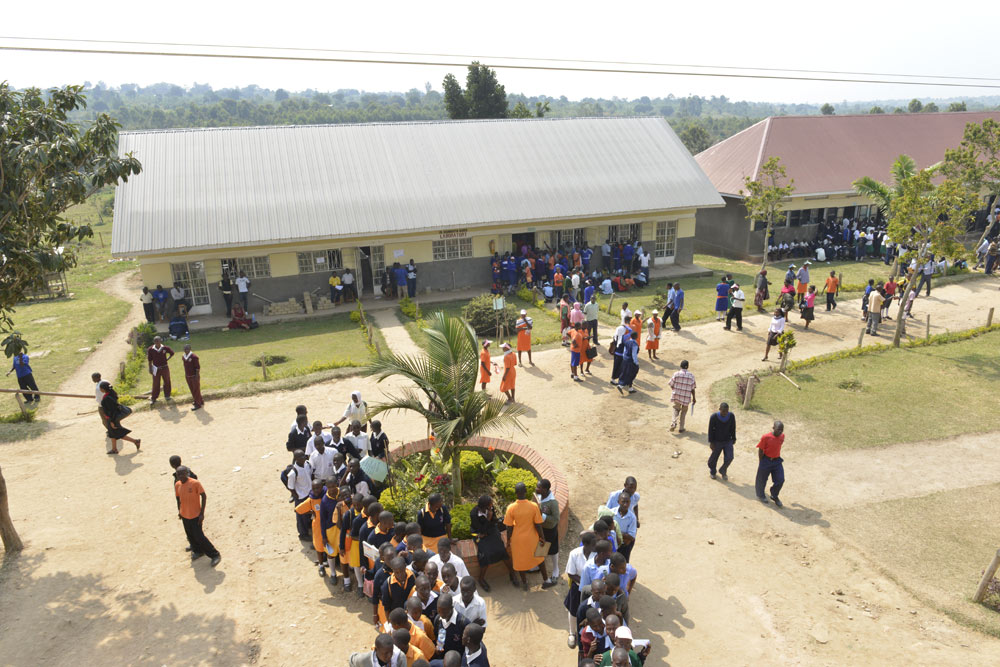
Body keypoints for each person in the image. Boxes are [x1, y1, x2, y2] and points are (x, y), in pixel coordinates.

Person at [503, 482, 549, 591]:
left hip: (518, 540)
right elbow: (538, 524)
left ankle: (525, 583)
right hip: (532, 538)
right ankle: (546, 580)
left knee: (520, 562)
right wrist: (542, 538)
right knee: (540, 558)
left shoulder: (511, 508)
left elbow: (509, 528)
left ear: (515, 493)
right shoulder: (533, 506)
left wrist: (508, 540)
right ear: (526, 492)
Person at [174, 466, 221, 566]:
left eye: (182, 473)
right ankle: (198, 551)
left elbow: (203, 496)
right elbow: (179, 499)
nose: (180, 476)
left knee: (199, 536)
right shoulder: (177, 485)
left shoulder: (195, 483)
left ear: (187, 473)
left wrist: (202, 513)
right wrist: (179, 511)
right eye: (178, 474)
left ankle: (215, 554)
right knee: (190, 535)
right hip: (185, 515)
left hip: (195, 515)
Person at [469, 495, 517, 591]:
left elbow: (494, 522)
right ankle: (481, 579)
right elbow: (480, 530)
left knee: (502, 550)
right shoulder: (474, 514)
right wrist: (487, 519)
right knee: (485, 554)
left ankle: (512, 573)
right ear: (485, 506)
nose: (492, 505)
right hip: (478, 533)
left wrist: (490, 519)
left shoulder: (490, 508)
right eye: (490, 504)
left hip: (490, 530)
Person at [98, 381, 140, 454]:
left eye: (100, 388)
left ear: (103, 389)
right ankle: (114, 449)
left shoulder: (107, 398)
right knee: (112, 433)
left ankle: (135, 441)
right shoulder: (111, 394)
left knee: (117, 433)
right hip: (112, 417)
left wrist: (112, 422)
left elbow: (111, 411)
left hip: (112, 418)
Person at [295, 479, 327, 575]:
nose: (316, 490)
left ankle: (329, 562)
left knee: (330, 545)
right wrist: (311, 511)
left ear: (322, 487)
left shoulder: (327, 495)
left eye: (318, 488)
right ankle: (321, 565)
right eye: (313, 488)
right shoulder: (312, 499)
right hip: (318, 526)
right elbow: (297, 509)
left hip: (329, 525)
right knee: (319, 546)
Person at [535, 479, 560, 589]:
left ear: (544, 490)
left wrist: (542, 516)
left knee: (553, 550)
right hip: (541, 528)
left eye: (538, 487)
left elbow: (556, 519)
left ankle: (556, 569)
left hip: (550, 529)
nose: (536, 489)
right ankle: (537, 565)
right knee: (541, 545)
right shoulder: (539, 496)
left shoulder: (553, 503)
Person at [755, 421, 786, 507]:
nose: (780, 432)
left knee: (780, 479)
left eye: (782, 430)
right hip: (766, 459)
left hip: (777, 461)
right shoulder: (766, 437)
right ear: (773, 428)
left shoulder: (782, 436)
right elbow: (761, 450)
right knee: (762, 478)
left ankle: (774, 495)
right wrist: (761, 462)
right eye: (778, 429)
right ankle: (761, 495)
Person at [287, 450, 314, 540]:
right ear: (296, 459)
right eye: (301, 457)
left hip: (310, 493)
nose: (304, 457)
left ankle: (309, 527)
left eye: (304, 455)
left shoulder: (307, 464)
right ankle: (303, 534)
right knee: (301, 516)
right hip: (301, 496)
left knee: (309, 514)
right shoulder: (293, 472)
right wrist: (296, 496)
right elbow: (290, 487)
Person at [432, 594, 469, 659]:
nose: (441, 614)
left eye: (444, 611)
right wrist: (438, 649)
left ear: (451, 607)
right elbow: (436, 637)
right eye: (439, 611)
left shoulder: (463, 623)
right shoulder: (437, 620)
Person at [707, 402, 736, 480]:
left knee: (730, 457)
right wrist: (711, 442)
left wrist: (734, 438)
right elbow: (710, 430)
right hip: (717, 441)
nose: (725, 413)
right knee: (714, 459)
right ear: (719, 409)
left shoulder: (731, 416)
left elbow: (733, 428)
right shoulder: (714, 417)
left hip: (727, 440)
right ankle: (713, 471)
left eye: (726, 411)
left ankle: (723, 470)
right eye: (723, 411)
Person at [668, 360, 696, 432]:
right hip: (686, 397)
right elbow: (693, 388)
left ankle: (673, 423)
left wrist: (674, 389)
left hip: (677, 395)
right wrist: (694, 398)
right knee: (683, 412)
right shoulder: (691, 376)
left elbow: (671, 383)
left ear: (680, 366)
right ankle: (681, 428)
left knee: (675, 409)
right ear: (688, 367)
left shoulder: (676, 374)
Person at [146, 336, 174, 405]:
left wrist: (167, 359)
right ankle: (154, 398)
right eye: (155, 341)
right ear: (154, 342)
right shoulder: (151, 349)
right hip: (156, 368)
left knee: (167, 381)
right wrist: (150, 368)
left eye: (158, 341)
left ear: (160, 341)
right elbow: (150, 360)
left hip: (165, 367)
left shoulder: (165, 348)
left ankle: (167, 395)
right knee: (156, 383)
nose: (157, 342)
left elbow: (172, 353)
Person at [611, 493, 637, 563]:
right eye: (623, 502)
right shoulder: (612, 513)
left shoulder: (632, 517)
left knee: (623, 563)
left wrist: (616, 532)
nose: (625, 504)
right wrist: (624, 535)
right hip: (613, 543)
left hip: (625, 545)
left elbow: (631, 537)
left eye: (627, 502)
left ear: (630, 502)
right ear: (618, 502)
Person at [180, 344, 204, 410]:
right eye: (185, 349)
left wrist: (196, 376)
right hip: (188, 376)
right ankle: (200, 401)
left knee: (196, 389)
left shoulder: (194, 357)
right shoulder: (183, 356)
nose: (186, 350)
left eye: (187, 349)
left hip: (194, 376)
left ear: (190, 349)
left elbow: (197, 367)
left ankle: (198, 404)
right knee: (192, 389)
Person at [615, 331, 639, 396]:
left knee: (625, 372)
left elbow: (624, 351)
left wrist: (624, 358)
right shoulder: (635, 344)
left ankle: (630, 388)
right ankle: (621, 385)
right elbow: (634, 354)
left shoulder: (627, 342)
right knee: (631, 374)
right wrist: (636, 363)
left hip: (625, 360)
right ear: (636, 337)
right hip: (631, 361)